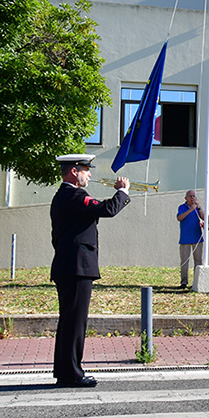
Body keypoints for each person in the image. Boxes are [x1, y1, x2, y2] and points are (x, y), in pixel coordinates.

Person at [50, 154, 130, 387]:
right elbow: (108, 209)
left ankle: (66, 371)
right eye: (86, 169)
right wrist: (123, 192)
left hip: (70, 265)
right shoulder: (74, 195)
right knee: (74, 323)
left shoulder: (65, 196)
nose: (90, 174)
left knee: (69, 322)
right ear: (74, 171)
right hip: (76, 266)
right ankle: (72, 374)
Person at [176, 190, 204, 288]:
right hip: (185, 239)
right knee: (184, 261)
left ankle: (198, 281)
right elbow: (179, 218)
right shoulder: (182, 207)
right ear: (186, 198)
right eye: (190, 196)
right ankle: (184, 281)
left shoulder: (197, 208)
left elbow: (204, 217)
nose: (192, 198)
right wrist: (190, 210)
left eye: (194, 196)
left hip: (197, 239)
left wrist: (198, 207)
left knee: (198, 260)